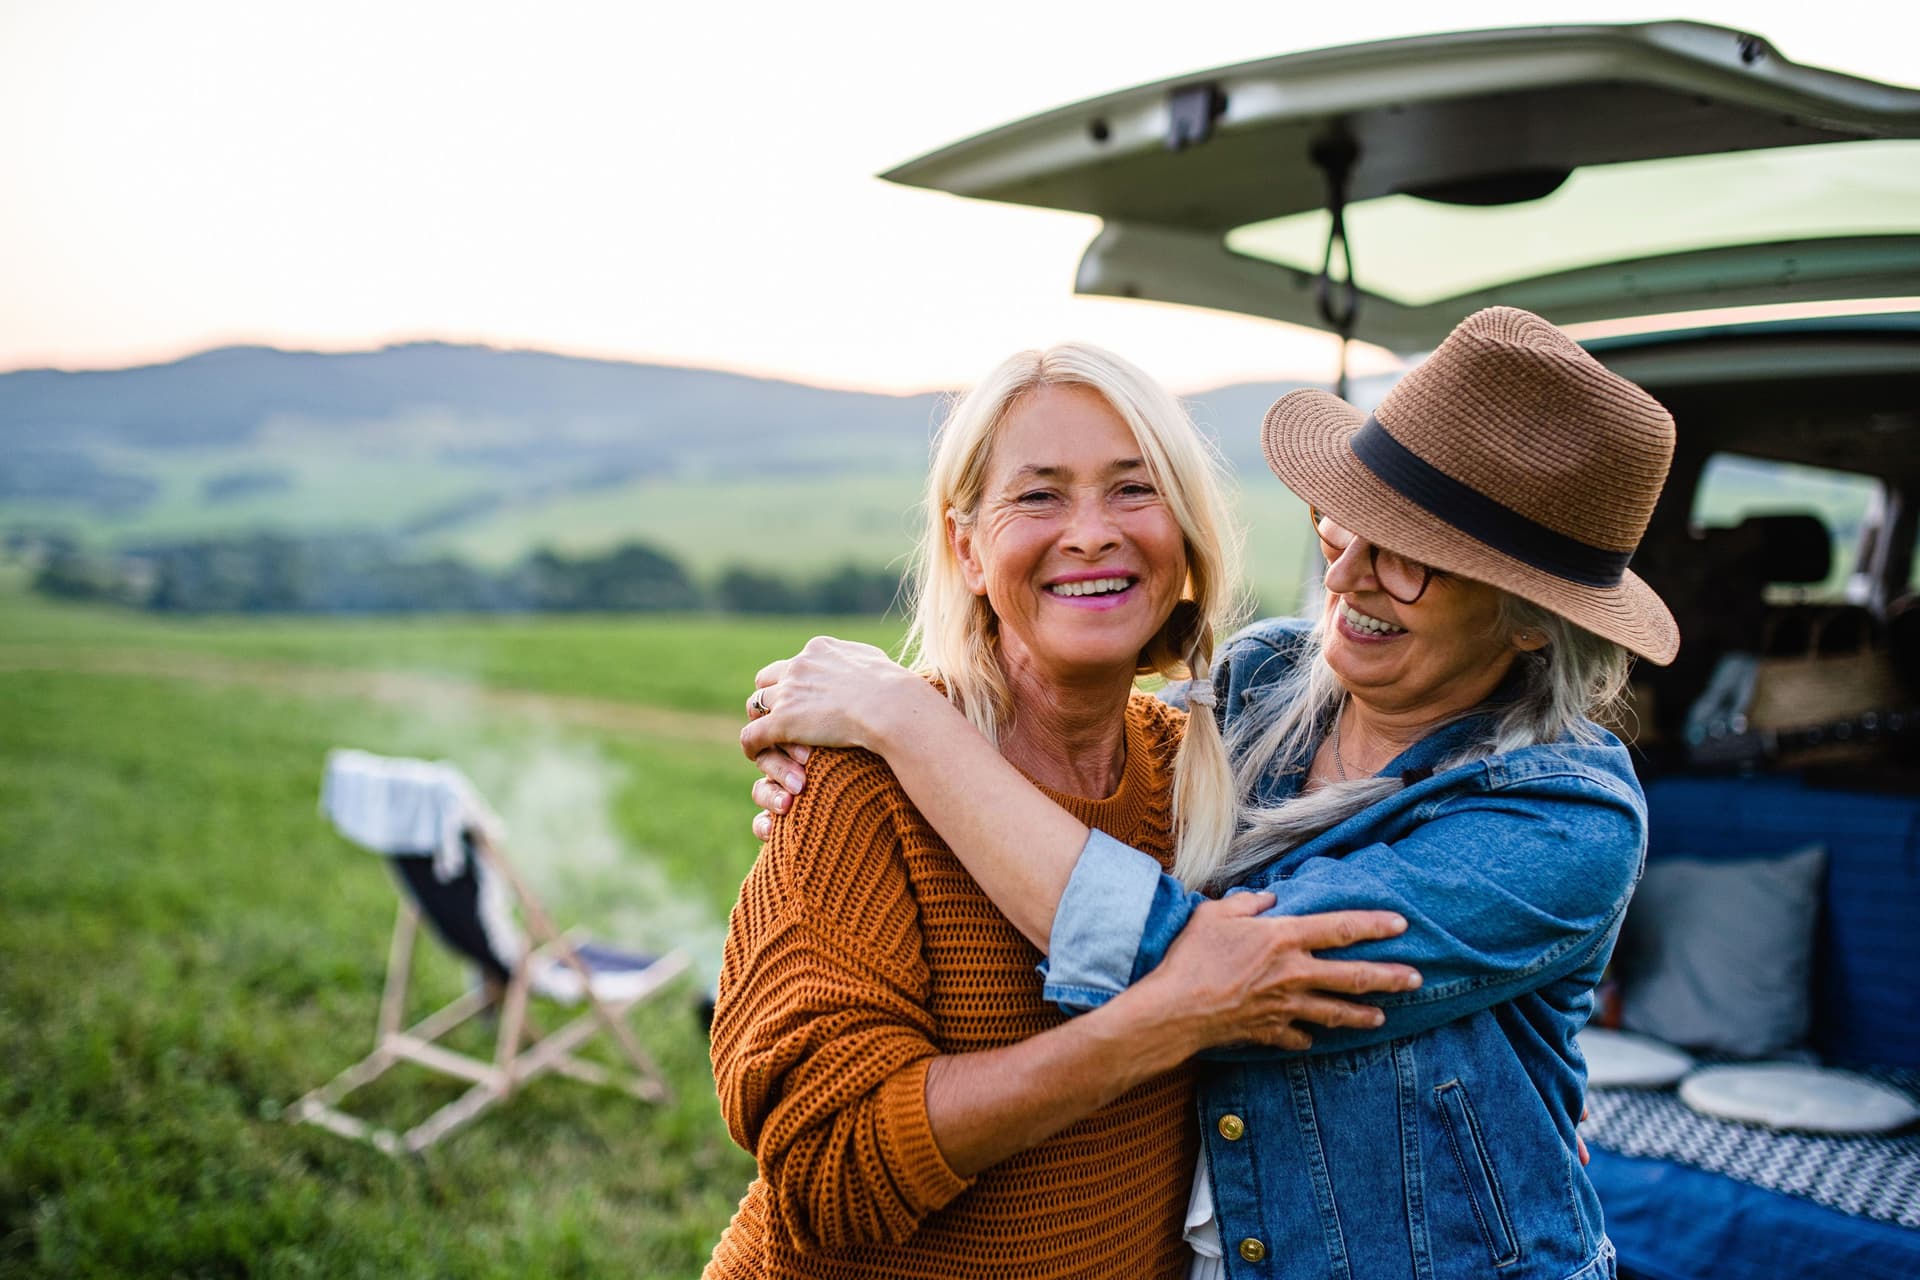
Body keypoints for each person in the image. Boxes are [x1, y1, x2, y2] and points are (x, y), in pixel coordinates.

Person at [741, 307, 1680, 1279]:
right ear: (965, 545)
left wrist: (906, 720)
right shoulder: (1260, 685)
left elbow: (1197, 967)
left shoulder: (1562, 816)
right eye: (1344, 526)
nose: (1347, 577)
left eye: (1409, 556)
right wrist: (869, 723)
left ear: (1531, 618)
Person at [703, 342, 1419, 1280]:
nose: (1090, 533)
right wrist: (1159, 1024)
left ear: (1189, 536)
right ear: (966, 547)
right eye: (1039, 496)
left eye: (1134, 489)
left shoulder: (1202, 775)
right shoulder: (860, 777)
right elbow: (828, 1172)